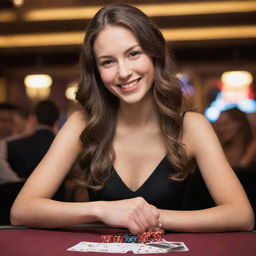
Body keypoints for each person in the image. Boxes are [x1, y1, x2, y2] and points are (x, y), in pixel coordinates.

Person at [10, 4, 254, 234]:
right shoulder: (82, 124)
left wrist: (149, 216)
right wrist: (102, 210)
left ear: (154, 54)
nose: (124, 72)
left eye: (134, 54)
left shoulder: (191, 126)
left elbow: (241, 215)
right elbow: (22, 210)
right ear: (96, 71)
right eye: (108, 62)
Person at [0, 100, 60, 178]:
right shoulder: (10, 144)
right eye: (2, 121)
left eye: (11, 122)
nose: (8, 126)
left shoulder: (10, 144)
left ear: (34, 118)